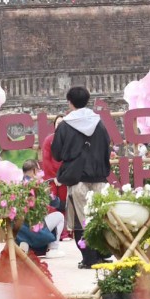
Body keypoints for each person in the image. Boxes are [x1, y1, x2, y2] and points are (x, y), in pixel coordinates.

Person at [50, 85, 112, 268]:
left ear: (70, 102)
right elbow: (106, 147)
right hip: (99, 179)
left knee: (81, 220)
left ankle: (89, 258)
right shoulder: (99, 123)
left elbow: (57, 154)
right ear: (88, 100)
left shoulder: (65, 125)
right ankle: (102, 253)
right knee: (100, 217)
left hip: (77, 180)